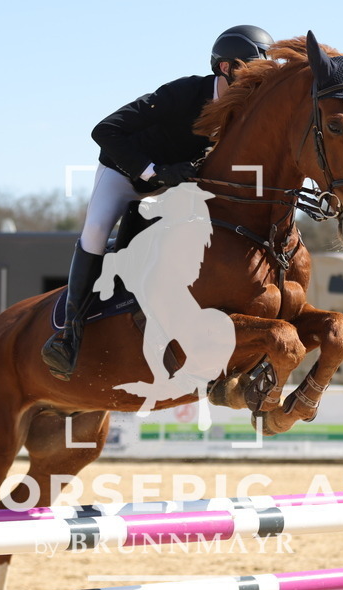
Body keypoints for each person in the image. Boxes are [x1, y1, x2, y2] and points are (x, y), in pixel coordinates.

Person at [42, 24, 274, 381]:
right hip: (125, 175)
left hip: (177, 186)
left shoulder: (246, 110)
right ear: (226, 67)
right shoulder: (182, 94)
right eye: (251, 70)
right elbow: (104, 131)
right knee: (95, 232)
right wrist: (154, 171)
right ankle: (69, 335)